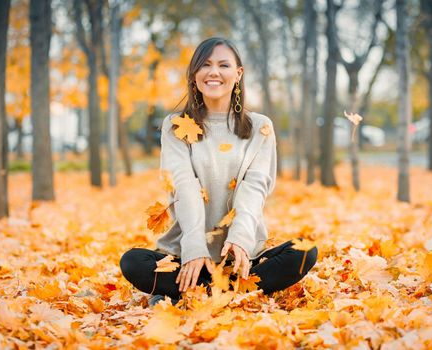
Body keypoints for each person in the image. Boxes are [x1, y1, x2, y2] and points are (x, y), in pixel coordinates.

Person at [119, 37, 317, 306]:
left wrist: (240, 240)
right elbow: (184, 186)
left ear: (238, 74)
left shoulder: (260, 127)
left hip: (240, 257)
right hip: (186, 254)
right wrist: (194, 247)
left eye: (224, 65)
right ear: (194, 75)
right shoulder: (175, 126)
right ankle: (223, 292)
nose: (214, 72)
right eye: (205, 65)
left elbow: (255, 188)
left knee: (304, 252)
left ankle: (198, 292)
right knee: (133, 262)